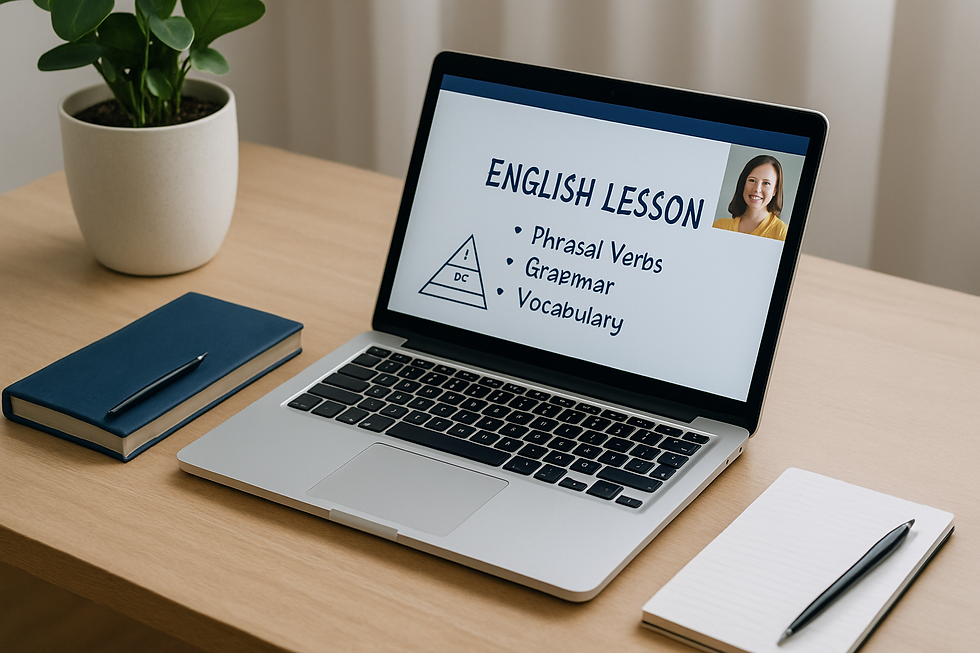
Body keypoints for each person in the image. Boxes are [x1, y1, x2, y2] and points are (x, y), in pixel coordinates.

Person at [713, 155, 788, 241]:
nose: (757, 189)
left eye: (766, 183)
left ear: (775, 190)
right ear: (743, 184)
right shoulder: (719, 226)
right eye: (752, 180)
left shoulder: (782, 233)